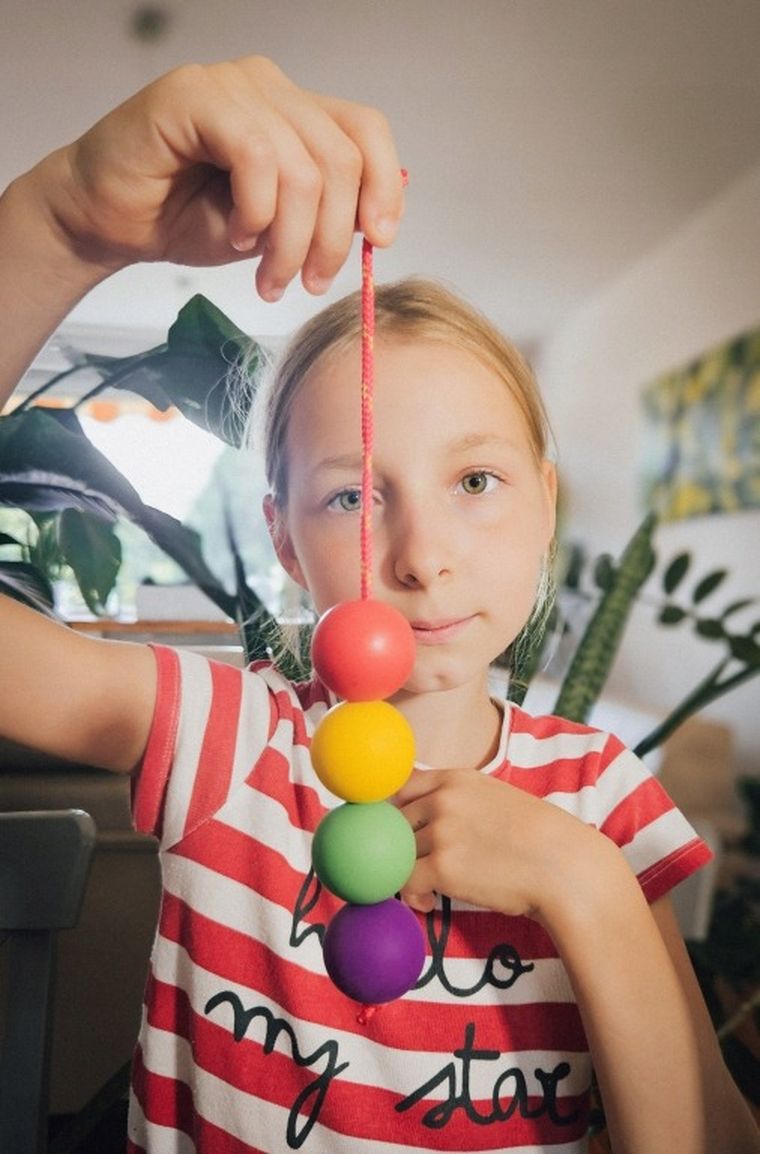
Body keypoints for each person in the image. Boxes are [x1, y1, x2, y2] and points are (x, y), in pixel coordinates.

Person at [0, 56, 757, 1154]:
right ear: (284, 538)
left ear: (546, 504)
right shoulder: (225, 742)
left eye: (475, 481)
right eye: (354, 496)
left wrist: (581, 883)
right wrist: (63, 219)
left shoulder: (603, 805)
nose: (422, 557)